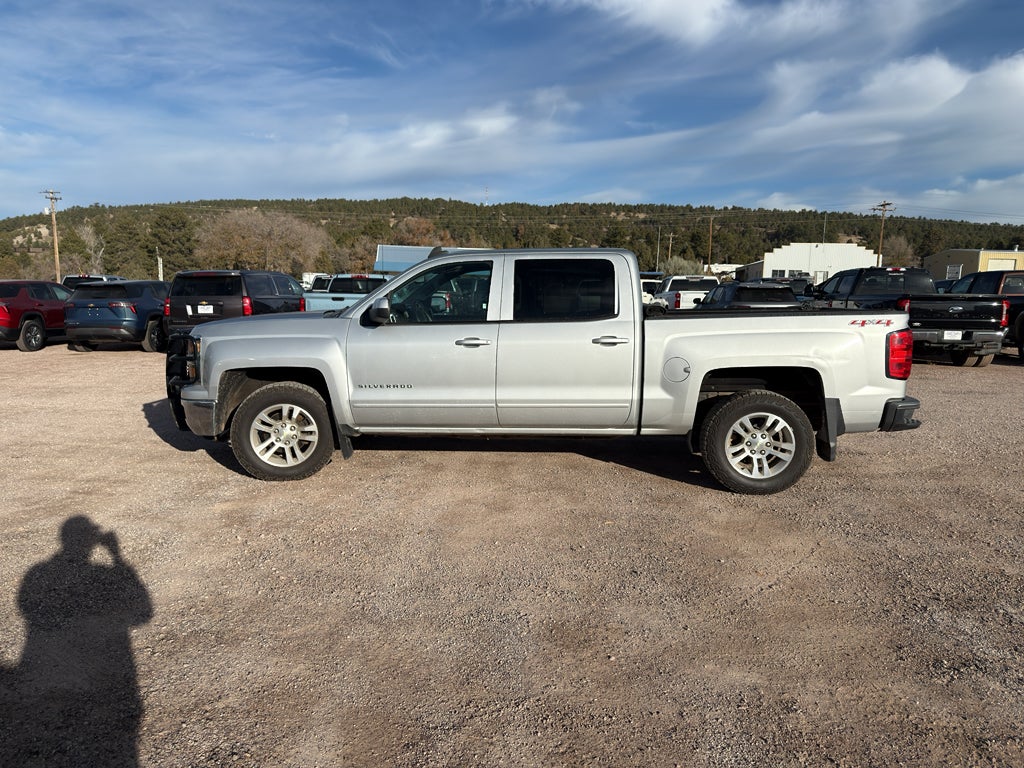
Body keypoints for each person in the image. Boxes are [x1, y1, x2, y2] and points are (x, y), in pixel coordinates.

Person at [2, 516, 152, 766]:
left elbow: (25, 608)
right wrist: (117, 557)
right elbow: (145, 613)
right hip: (108, 673)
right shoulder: (95, 571)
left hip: (45, 672)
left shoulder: (37, 573)